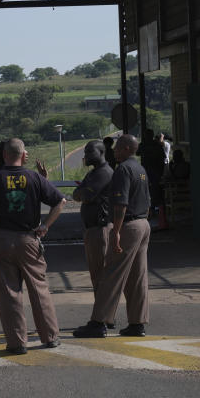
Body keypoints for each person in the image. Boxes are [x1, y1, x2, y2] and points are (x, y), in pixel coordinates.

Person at [0, 137, 65, 355]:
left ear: (4, 155)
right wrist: (45, 225)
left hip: (2, 239)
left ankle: (17, 343)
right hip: (29, 239)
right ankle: (50, 337)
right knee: (39, 288)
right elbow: (60, 201)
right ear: (22, 155)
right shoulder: (34, 177)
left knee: (9, 292)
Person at [73, 134, 151, 338]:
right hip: (143, 223)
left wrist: (116, 232)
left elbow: (121, 204)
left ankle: (99, 322)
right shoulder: (140, 169)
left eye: (117, 147)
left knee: (111, 274)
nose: (113, 150)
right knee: (137, 276)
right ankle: (137, 323)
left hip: (129, 225)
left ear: (126, 149)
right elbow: (147, 200)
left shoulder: (123, 169)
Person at [71, 140, 116, 328]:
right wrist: (80, 191)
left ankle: (103, 319)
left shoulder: (104, 173)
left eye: (90, 152)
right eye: (85, 153)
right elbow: (76, 194)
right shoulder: (93, 173)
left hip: (100, 228)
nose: (87, 156)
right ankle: (105, 317)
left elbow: (85, 195)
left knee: (101, 277)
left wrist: (81, 191)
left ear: (101, 152)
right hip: (93, 229)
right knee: (98, 276)